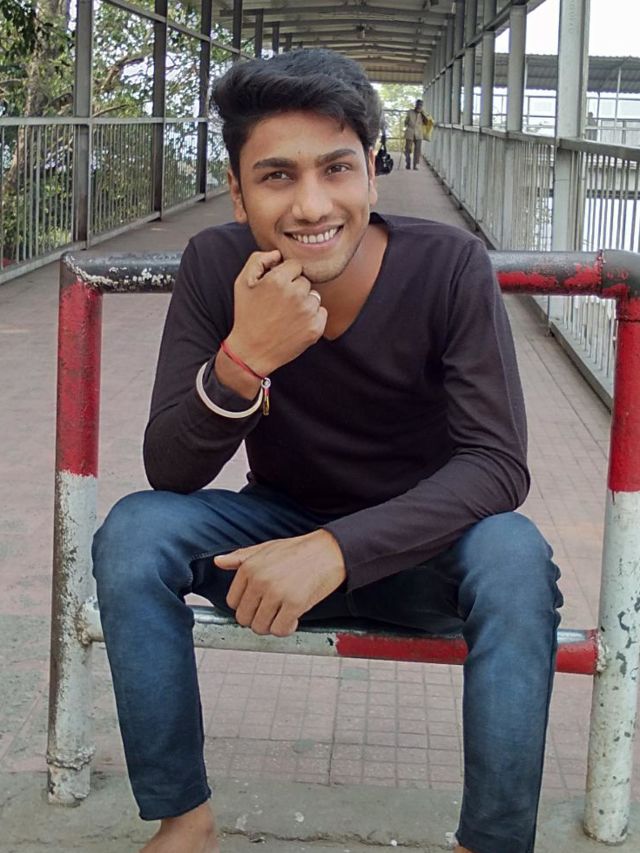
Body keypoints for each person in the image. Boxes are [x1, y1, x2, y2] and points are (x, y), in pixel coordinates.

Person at [92, 47, 562, 853]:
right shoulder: (217, 265)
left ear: (372, 172)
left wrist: (337, 550)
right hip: (276, 537)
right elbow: (171, 469)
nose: (311, 204)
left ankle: (488, 841)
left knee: (514, 554)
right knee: (134, 533)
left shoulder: (448, 266)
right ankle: (184, 819)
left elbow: (496, 463)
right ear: (237, 191)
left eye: (336, 168)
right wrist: (245, 357)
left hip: (425, 551)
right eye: (277, 176)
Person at [404, 97, 434, 170]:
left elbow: (427, 123)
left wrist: (423, 114)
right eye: (418, 104)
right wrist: (407, 124)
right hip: (410, 132)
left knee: (417, 150)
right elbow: (406, 122)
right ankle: (408, 162)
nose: (419, 106)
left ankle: (415, 165)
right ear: (416, 105)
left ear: (422, 106)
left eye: (421, 105)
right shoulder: (410, 112)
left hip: (419, 133)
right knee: (408, 149)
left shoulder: (424, 113)